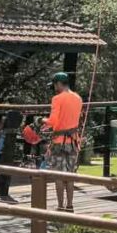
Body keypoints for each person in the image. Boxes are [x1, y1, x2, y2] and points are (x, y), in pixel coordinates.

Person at [42, 71, 83, 212]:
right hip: (73, 141)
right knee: (70, 175)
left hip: (59, 142)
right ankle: (70, 205)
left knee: (58, 175)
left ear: (59, 84)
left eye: (54, 84)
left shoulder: (57, 99)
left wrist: (42, 121)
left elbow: (53, 121)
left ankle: (60, 206)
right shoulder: (78, 98)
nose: (54, 87)